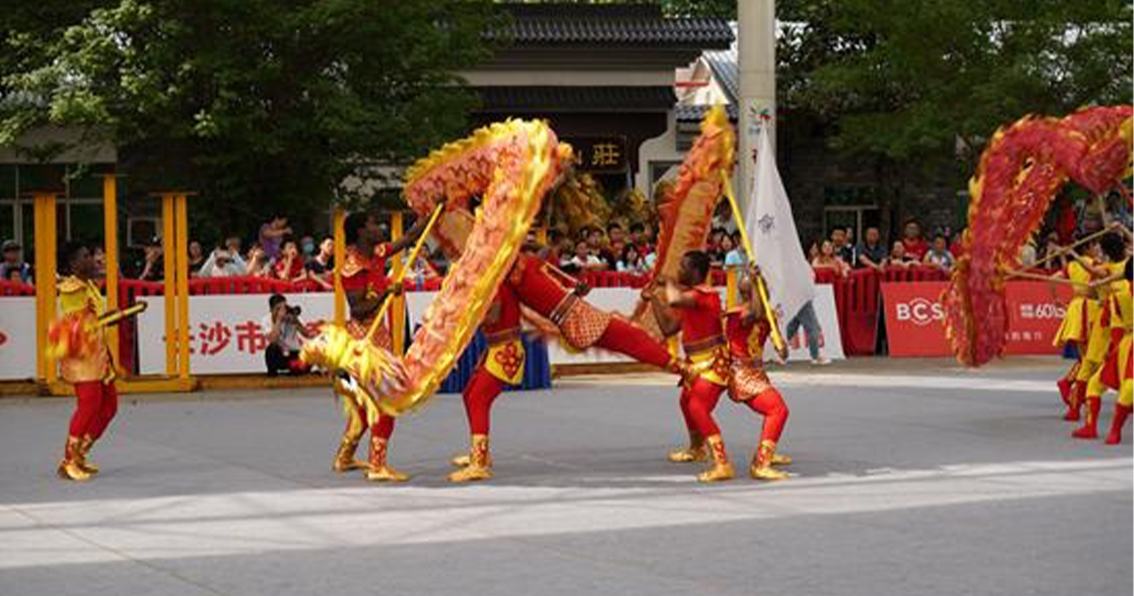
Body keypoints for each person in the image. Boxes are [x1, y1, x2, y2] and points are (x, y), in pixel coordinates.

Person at [333, 210, 432, 482]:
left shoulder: (377, 252)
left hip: (379, 338)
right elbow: (359, 309)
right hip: (364, 342)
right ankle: (378, 465)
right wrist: (387, 292)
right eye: (373, 224)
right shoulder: (351, 268)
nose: (379, 228)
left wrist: (435, 211)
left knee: (366, 405)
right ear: (361, 232)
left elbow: (410, 237)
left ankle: (345, 456)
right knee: (386, 400)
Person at [641, 251, 734, 482]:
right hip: (696, 365)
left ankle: (722, 463)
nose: (678, 271)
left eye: (682, 266)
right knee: (686, 403)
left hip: (714, 363)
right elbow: (669, 328)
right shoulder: (691, 298)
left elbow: (673, 299)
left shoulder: (706, 295)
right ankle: (697, 449)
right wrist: (653, 297)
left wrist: (668, 283)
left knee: (697, 407)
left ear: (694, 272)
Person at [52, 242, 131, 481]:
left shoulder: (88, 286)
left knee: (109, 407)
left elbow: (95, 319)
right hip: (82, 356)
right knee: (89, 406)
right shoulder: (71, 289)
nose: (93, 259)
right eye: (86, 256)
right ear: (73, 264)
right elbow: (77, 324)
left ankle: (80, 455)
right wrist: (107, 319)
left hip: (99, 354)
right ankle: (68, 460)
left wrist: (108, 318)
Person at [447, 283, 525, 482]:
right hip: (496, 348)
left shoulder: (495, 284)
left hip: (506, 351)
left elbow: (493, 316)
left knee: (477, 400)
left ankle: (479, 463)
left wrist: (465, 318)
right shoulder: (492, 281)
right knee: (469, 394)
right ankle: (479, 454)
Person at [1072, 233, 1130, 440]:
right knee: (1099, 375)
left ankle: (1092, 422)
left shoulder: (1116, 287)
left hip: (1118, 332)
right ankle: (1109, 428)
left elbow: (1097, 272)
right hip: (1118, 332)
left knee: (1091, 369)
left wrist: (1073, 255)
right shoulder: (1121, 270)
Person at [1052, 238, 1101, 420]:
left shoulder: (1071, 266)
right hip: (1089, 308)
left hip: (1076, 305)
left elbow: (1052, 278)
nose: (1096, 248)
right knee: (1089, 359)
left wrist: (1055, 298)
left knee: (1086, 357)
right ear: (1088, 247)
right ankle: (1070, 386)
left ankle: (1069, 385)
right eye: (1094, 245)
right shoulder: (1094, 264)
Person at [262, 294, 315, 376]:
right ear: (271, 310)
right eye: (278, 309)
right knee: (270, 349)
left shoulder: (292, 316)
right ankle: (272, 373)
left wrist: (296, 321)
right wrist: (279, 320)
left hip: (293, 353)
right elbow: (273, 340)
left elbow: (307, 335)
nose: (282, 311)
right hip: (278, 354)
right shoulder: (266, 320)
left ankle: (294, 372)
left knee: (308, 358)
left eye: (283, 308)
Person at [785, 298, 830, 366]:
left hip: (795, 296)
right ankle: (815, 356)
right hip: (801, 297)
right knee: (813, 327)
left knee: (793, 325)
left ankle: (776, 351)